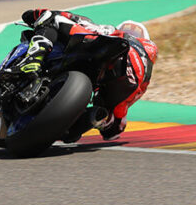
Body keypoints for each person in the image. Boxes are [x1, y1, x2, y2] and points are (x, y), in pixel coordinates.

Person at [15, 8, 158, 141]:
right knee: (100, 122)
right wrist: (101, 121)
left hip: (94, 46)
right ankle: (86, 121)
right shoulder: (144, 72)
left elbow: (66, 17)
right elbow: (113, 133)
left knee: (51, 19)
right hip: (118, 85)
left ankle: (33, 60)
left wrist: (34, 15)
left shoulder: (107, 30)